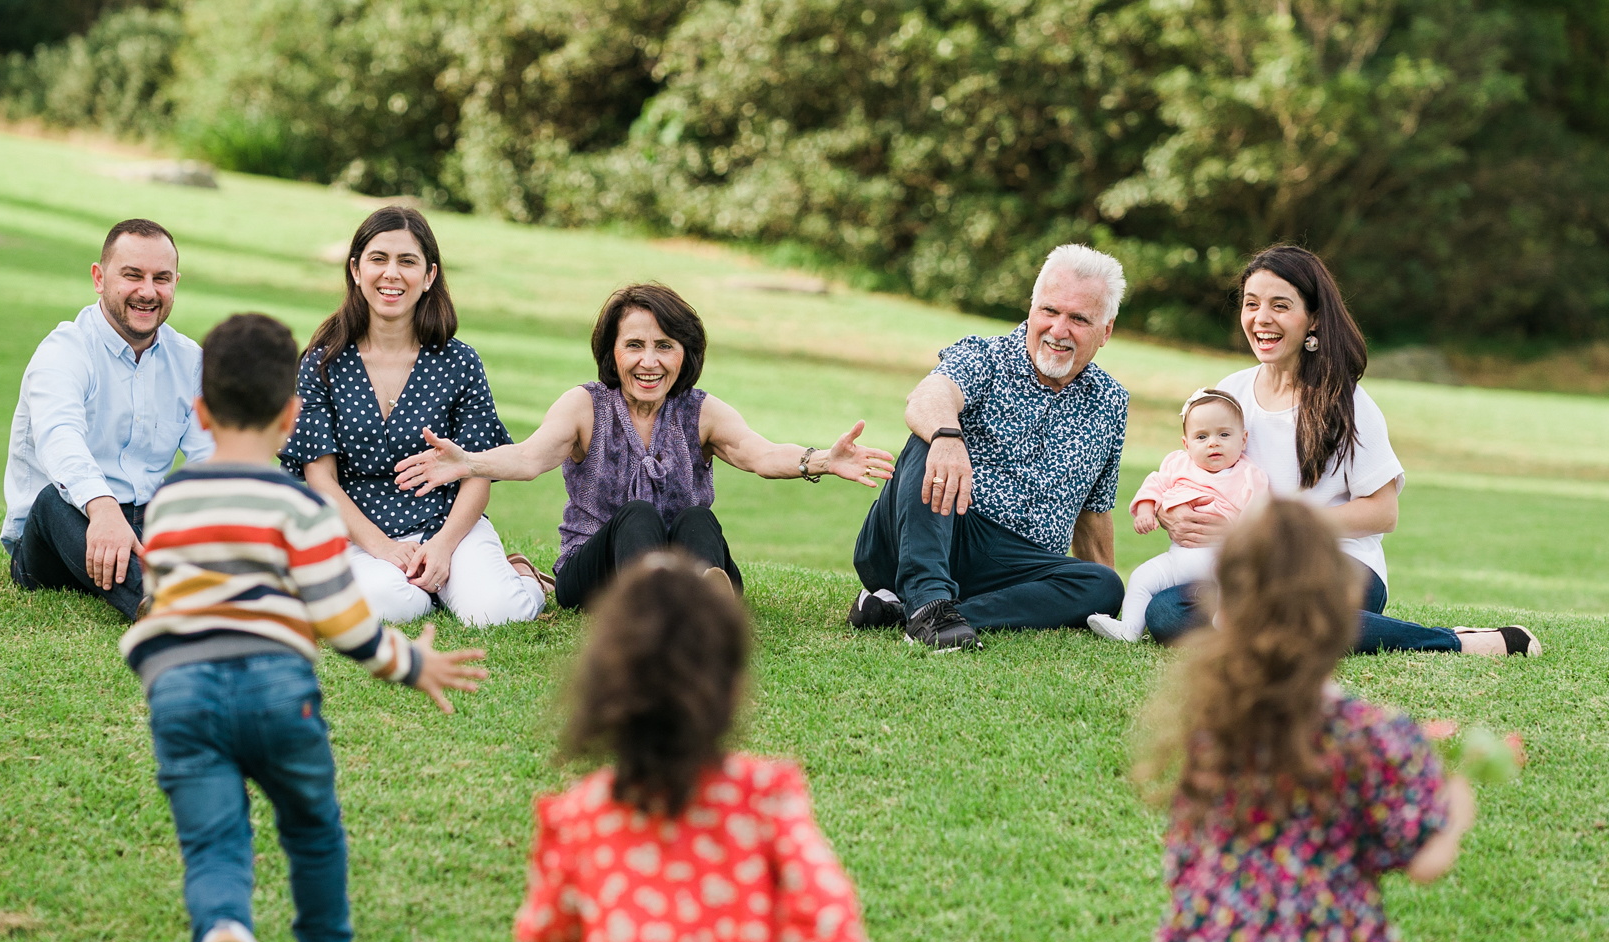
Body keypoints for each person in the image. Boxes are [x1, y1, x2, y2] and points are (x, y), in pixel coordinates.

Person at [1030, 499, 1475, 942]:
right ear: (1342, 618)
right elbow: (1422, 860)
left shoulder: (1211, 723)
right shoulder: (1377, 737)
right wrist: (1455, 805)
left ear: (1224, 611)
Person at [120, 313, 490, 942]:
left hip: (181, 696)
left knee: (215, 845)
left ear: (201, 413)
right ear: (292, 417)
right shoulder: (301, 509)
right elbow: (343, 618)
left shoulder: (173, 500)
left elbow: (157, 600)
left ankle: (227, 935)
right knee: (313, 829)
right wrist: (410, 663)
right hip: (276, 688)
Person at [498, 555, 898, 942]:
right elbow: (822, 896)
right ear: (732, 690)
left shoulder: (581, 816)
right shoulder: (762, 798)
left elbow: (545, 932)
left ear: (603, 689)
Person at [394, 283, 897, 609]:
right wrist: (468, 461)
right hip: (597, 574)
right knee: (637, 515)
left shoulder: (700, 411)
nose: (649, 361)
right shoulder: (585, 406)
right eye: (635, 345)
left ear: (685, 353)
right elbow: (529, 457)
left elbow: (758, 453)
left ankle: (702, 604)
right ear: (612, 351)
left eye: (664, 346)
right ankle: (656, 612)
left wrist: (822, 461)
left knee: (698, 520)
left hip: (689, 567)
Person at [1143, 245, 1540, 657]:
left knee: (1285, 607)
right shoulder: (1229, 394)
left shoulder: (1345, 401)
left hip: (1338, 564)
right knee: (1167, 613)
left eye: (1281, 305)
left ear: (1313, 318)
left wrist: (1275, 532)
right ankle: (1269, 628)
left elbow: (1382, 512)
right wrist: (1172, 511)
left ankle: (1451, 641)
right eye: (1251, 304)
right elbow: (1191, 473)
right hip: (1254, 571)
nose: (1262, 318)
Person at [849, 244, 1129, 651]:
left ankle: (930, 612)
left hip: (1017, 566)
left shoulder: (1110, 401)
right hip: (937, 525)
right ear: (1032, 309)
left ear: (1105, 331)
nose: (1058, 329)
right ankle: (927, 601)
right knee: (930, 440)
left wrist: (1102, 603)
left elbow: (1093, 513)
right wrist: (947, 438)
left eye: (1079, 319)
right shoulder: (984, 356)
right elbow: (929, 395)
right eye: (1049, 311)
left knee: (1103, 585)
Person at [280, 206, 548, 626]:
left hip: (447, 524)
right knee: (390, 602)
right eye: (378, 258)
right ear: (355, 269)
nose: (392, 273)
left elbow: (477, 472)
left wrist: (442, 547)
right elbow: (320, 479)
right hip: (359, 531)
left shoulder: (460, 362)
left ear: (429, 276)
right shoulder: (322, 364)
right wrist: (383, 547)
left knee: (498, 614)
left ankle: (522, 577)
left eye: (407, 261)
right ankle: (426, 590)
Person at [1, 218, 212, 620]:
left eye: (161, 279)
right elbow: (59, 437)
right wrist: (102, 508)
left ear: (175, 283)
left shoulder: (191, 361)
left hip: (146, 524)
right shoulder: (64, 350)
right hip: (58, 538)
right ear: (99, 278)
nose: (147, 292)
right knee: (51, 499)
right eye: (132, 275)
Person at [1088, 389, 1268, 642]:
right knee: (1142, 576)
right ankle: (1129, 628)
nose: (1213, 443)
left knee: (1236, 578)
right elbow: (1154, 486)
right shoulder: (1178, 465)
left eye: (1224, 434)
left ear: (1244, 439)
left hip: (1220, 556)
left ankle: (1226, 617)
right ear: (1186, 444)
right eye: (1201, 436)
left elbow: (1258, 517)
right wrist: (1146, 510)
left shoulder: (1249, 475)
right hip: (1177, 559)